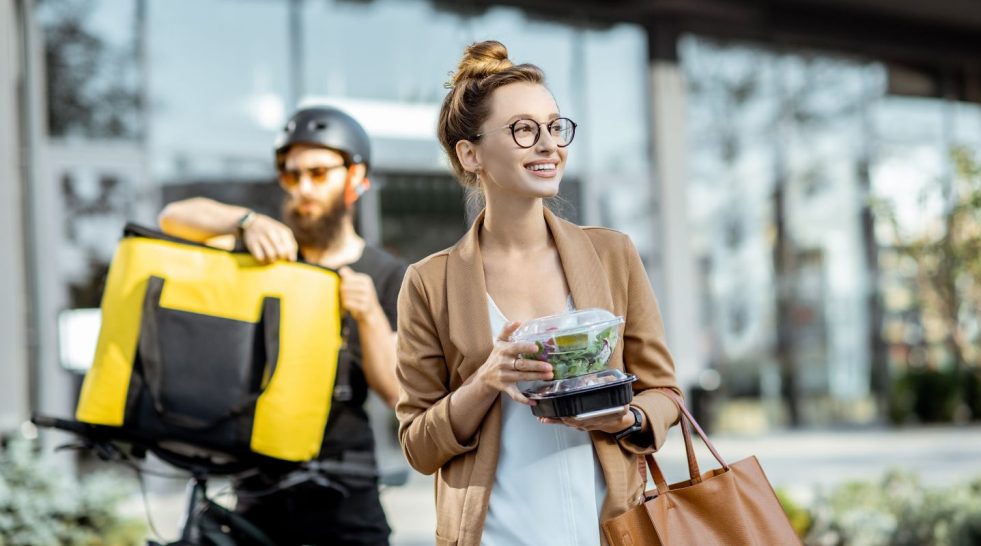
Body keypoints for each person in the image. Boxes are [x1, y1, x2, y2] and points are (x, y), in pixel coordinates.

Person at [395, 41, 682, 546]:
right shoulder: (429, 282)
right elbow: (418, 446)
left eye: (554, 126)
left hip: (611, 530)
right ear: (471, 153)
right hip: (495, 535)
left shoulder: (613, 254)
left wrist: (627, 416)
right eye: (523, 130)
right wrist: (485, 381)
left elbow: (665, 393)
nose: (549, 144)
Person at [158, 105, 405, 546]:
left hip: (346, 493)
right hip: (258, 491)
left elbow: (396, 394)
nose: (303, 188)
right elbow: (173, 218)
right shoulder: (264, 251)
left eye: (318, 173)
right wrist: (243, 221)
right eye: (292, 175)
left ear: (356, 179)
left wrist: (367, 315)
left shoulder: (386, 274)